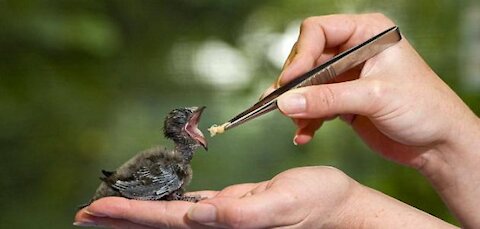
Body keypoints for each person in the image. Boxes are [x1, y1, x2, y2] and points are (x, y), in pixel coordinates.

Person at [74, 13, 480, 228]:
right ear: (183, 132)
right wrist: (451, 141)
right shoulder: (172, 166)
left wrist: (347, 212)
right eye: (190, 123)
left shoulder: (174, 165)